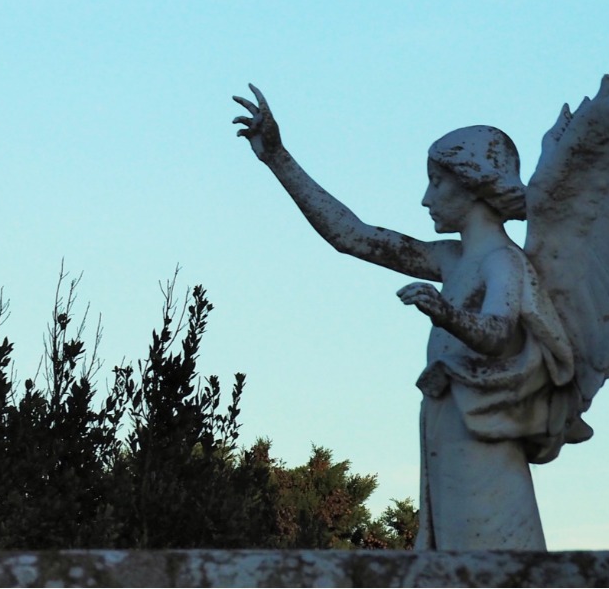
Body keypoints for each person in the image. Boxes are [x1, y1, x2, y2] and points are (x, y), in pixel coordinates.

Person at [232, 87, 574, 550]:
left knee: (490, 563)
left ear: (472, 183)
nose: (425, 198)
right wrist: (278, 158)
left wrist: (445, 312)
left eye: (436, 182)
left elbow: (499, 333)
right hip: (449, 423)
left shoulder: (502, 262)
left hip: (483, 438)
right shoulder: (452, 258)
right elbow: (354, 237)